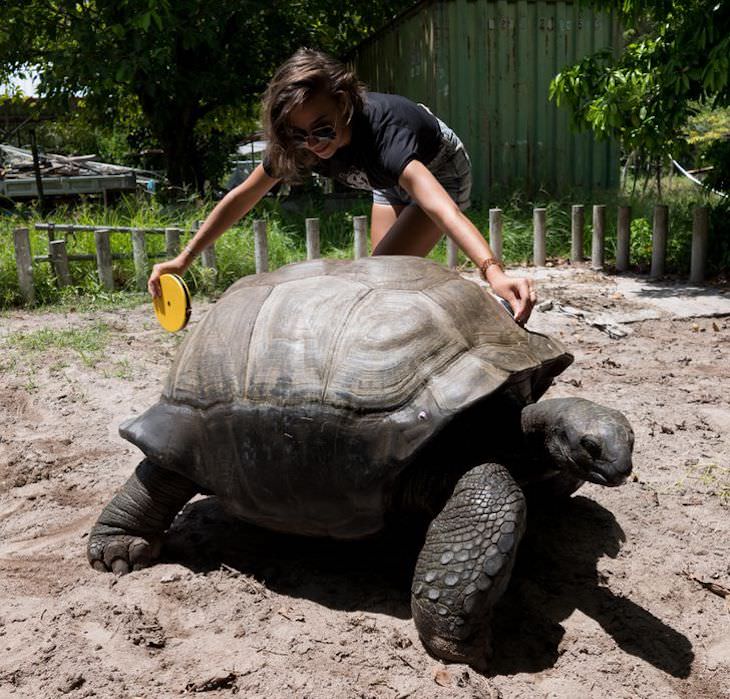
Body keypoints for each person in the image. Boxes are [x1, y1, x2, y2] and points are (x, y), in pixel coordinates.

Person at [148, 48, 537, 323]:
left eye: (322, 129)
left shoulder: (386, 136)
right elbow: (242, 196)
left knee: (384, 274)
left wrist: (493, 271)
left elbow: (440, 207)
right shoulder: (300, 144)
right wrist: (184, 258)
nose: (314, 144)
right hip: (384, 180)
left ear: (344, 103)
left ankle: (486, 319)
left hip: (438, 168)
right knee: (382, 281)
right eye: (299, 135)